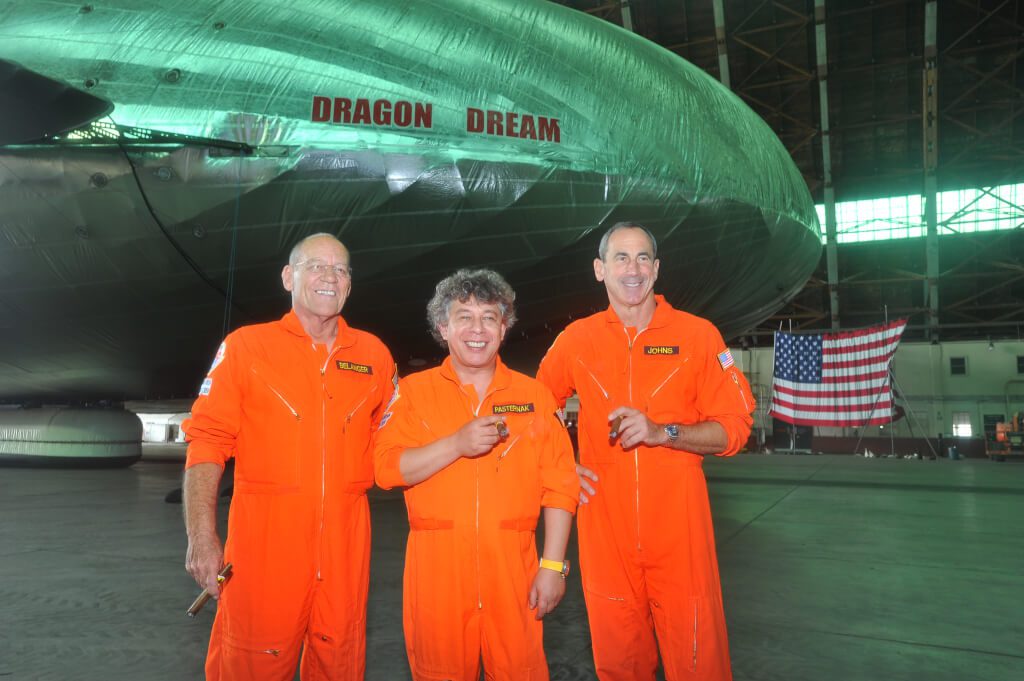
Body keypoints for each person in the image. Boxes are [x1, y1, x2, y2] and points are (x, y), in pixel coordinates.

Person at [536, 222, 755, 681]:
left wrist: (664, 432)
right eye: (620, 258)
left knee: (699, 663)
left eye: (642, 259)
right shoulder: (576, 339)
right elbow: (535, 407)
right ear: (600, 269)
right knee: (618, 665)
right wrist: (562, 466)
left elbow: (735, 428)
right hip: (606, 534)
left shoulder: (699, 336)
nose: (632, 269)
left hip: (680, 534)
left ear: (656, 270)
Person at [182, 233, 396, 681]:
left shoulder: (374, 356)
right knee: (250, 666)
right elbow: (207, 440)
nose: (329, 277)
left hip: (345, 559)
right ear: (287, 277)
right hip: (264, 557)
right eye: (316, 266)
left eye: (340, 269)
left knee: (339, 665)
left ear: (349, 285)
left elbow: (394, 444)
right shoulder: (247, 348)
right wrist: (201, 537)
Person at [373, 269, 579, 681]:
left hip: (514, 572)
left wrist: (553, 566)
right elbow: (385, 468)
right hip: (437, 574)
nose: (477, 329)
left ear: (504, 328)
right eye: (463, 316)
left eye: (489, 317)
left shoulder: (534, 397)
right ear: (443, 327)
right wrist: (456, 445)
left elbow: (560, 486)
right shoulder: (413, 393)